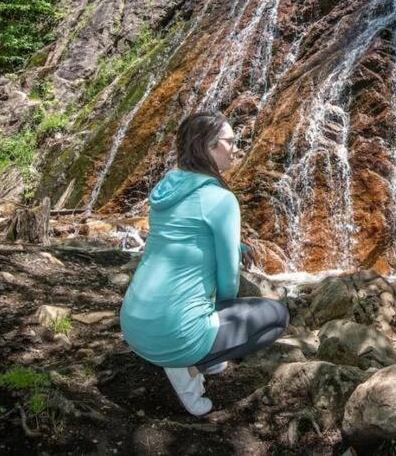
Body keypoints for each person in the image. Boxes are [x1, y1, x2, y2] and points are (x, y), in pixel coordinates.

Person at [119, 111, 289, 416]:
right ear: (208, 147)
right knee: (277, 316)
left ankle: (199, 350)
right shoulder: (221, 199)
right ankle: (190, 368)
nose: (237, 149)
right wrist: (221, 317)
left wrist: (236, 245)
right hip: (174, 334)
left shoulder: (166, 190)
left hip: (134, 325)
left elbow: (183, 235)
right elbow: (228, 282)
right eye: (231, 142)